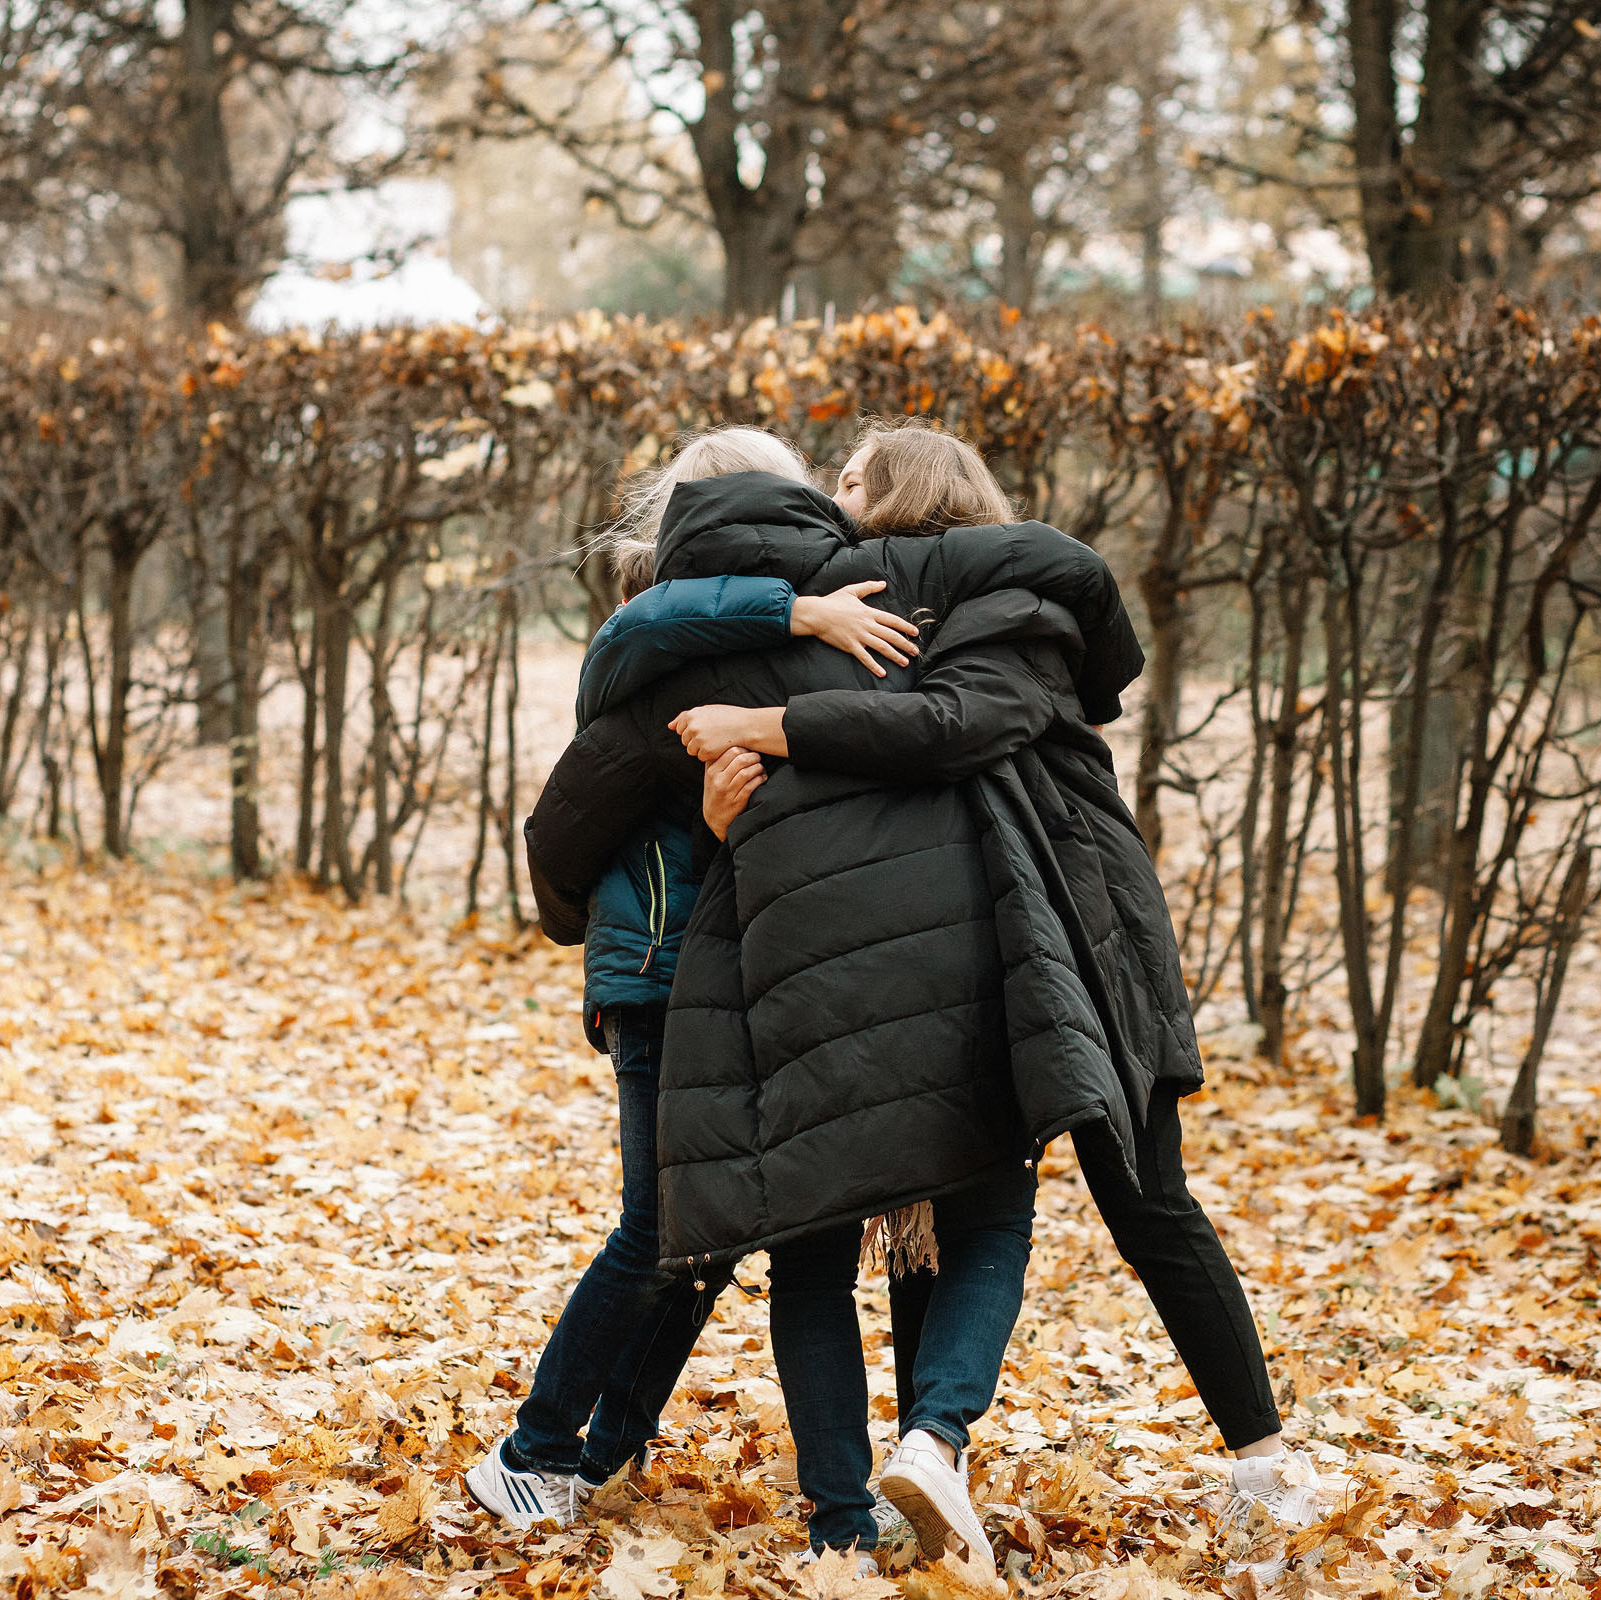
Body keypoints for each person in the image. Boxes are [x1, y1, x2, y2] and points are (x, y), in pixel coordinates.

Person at [539, 422, 1321, 1586]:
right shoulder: (874, 605)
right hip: (969, 941)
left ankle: (1233, 1454)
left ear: (899, 494)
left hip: (1076, 927)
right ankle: (904, 1467)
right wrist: (789, 636)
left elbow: (955, 724)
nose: (831, 503)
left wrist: (769, 717)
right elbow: (652, 647)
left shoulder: (995, 608)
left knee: (1131, 1196)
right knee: (947, 1205)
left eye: (848, 482)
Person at [464, 427, 921, 1529]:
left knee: (700, 1242)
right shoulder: (670, 623)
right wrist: (802, 613)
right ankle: (530, 1448)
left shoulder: (807, 630)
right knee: (661, 1225)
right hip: (666, 964)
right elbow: (637, 650)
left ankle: (598, 1456)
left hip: (742, 970)